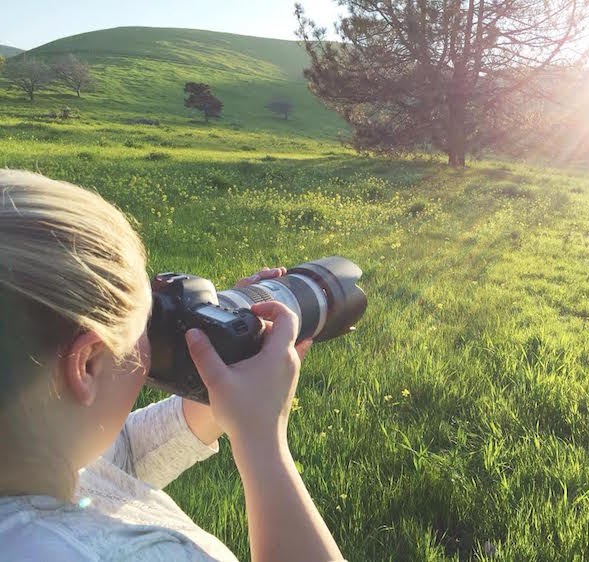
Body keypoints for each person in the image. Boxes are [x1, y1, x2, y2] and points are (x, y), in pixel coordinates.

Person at [0, 169, 346, 562]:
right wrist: (262, 441)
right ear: (87, 365)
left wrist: (224, 379)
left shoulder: (34, 457)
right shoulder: (134, 556)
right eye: (145, 323)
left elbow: (121, 458)